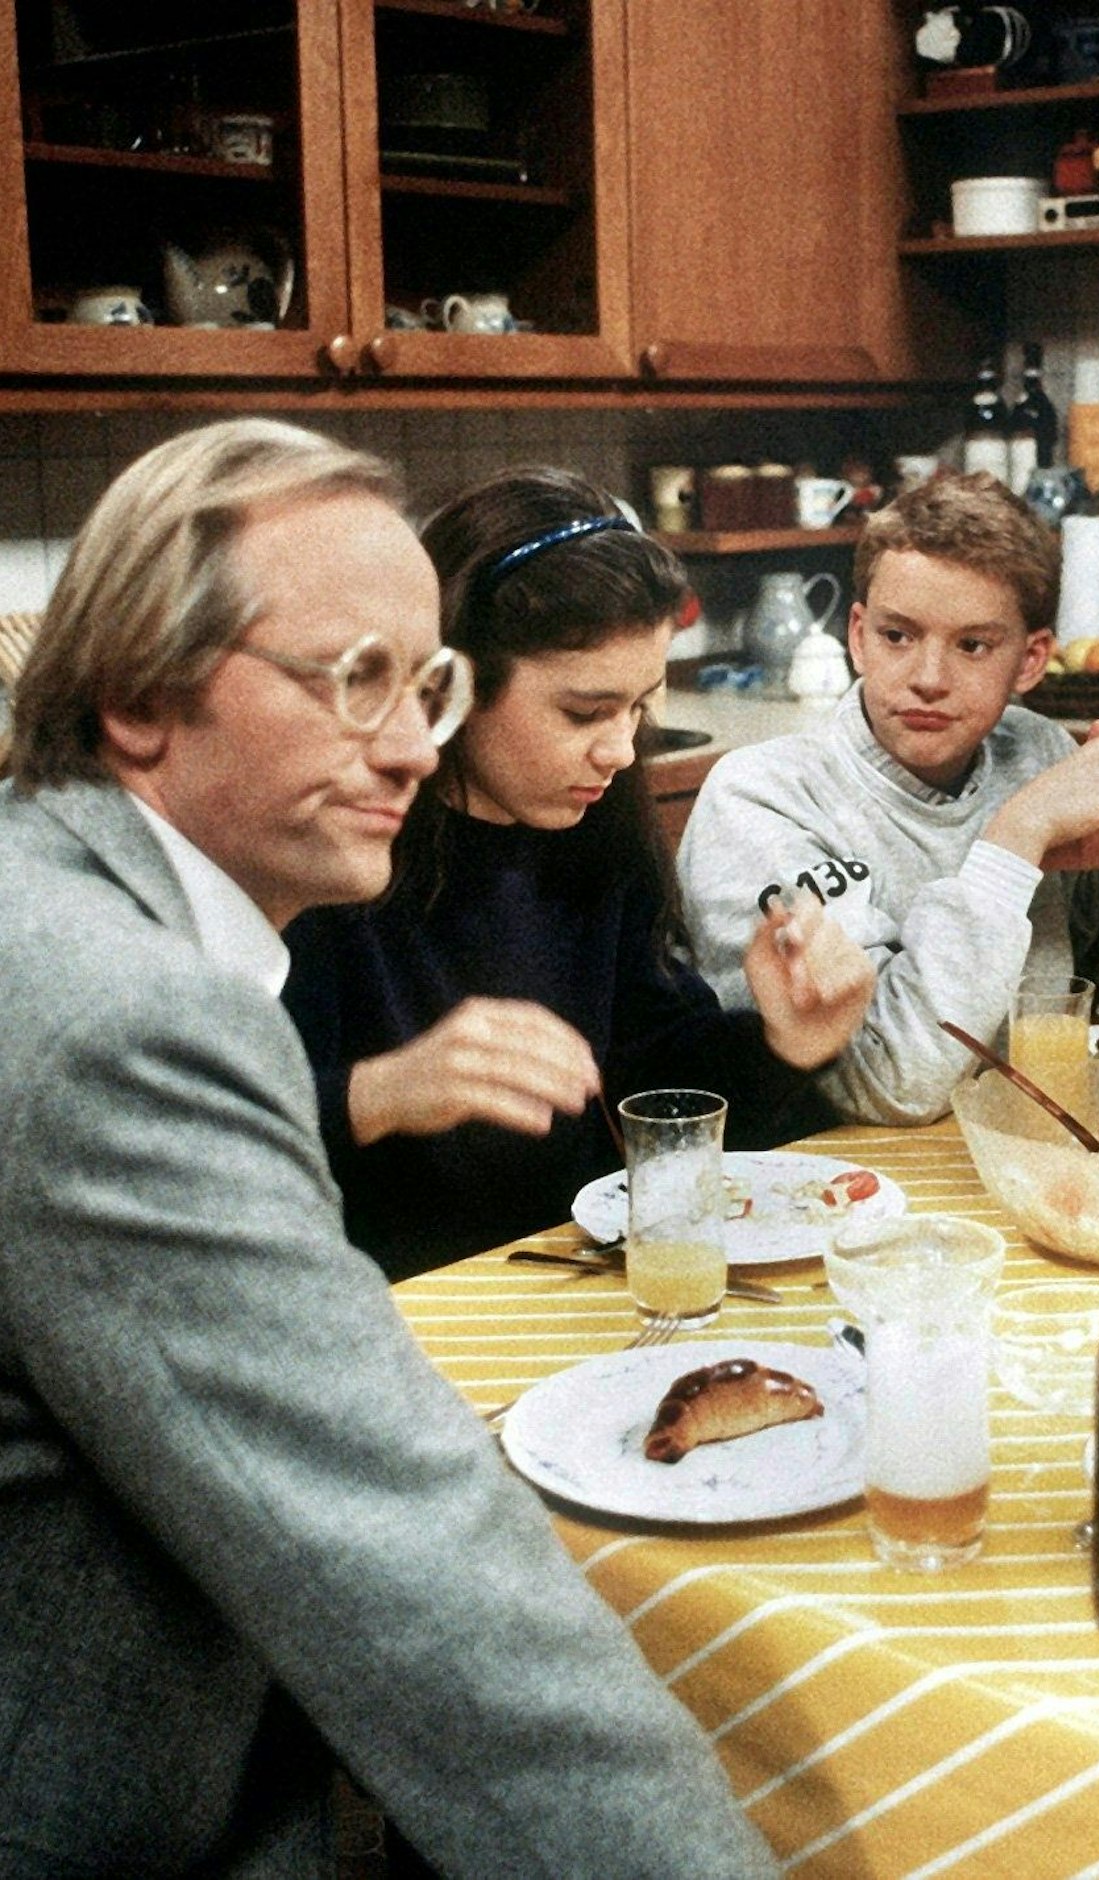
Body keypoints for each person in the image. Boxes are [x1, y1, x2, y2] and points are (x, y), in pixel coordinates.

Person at [0, 420, 776, 1876]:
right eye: (354, 680)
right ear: (133, 700)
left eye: (428, 687)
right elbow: (418, 1583)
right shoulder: (127, 1017)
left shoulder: (63, 896)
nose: (418, 745)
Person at [282, 466, 874, 1277]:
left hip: (568, 1277)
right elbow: (189, 1149)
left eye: (639, 706)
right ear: (450, 683)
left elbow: (654, 1091)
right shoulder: (325, 858)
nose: (622, 749)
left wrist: (783, 1045)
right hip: (391, 1308)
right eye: (584, 712)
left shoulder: (596, 826)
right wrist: (377, 1093)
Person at [675, 471, 1099, 1125]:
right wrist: (1015, 837)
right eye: (897, 636)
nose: (928, 679)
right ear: (857, 636)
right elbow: (892, 1081)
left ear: (1031, 661)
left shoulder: (1038, 753)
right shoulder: (762, 797)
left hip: (1011, 1152)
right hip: (833, 1181)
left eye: (972, 645)